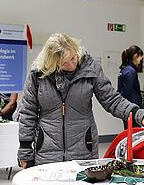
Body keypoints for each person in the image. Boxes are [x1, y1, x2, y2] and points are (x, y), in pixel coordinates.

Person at [17, 33, 144, 169]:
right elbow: (27, 112)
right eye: (66, 63)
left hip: (83, 149)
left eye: (73, 57)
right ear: (54, 63)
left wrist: (139, 114)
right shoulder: (38, 74)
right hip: (47, 152)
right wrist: (25, 150)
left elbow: (112, 99)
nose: (73, 63)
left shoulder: (90, 68)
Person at [117, 45, 143, 129]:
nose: (140, 62)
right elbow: (126, 92)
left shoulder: (124, 70)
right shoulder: (131, 72)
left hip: (126, 107)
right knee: (133, 133)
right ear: (135, 56)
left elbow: (121, 91)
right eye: (140, 58)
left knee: (128, 130)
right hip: (132, 107)